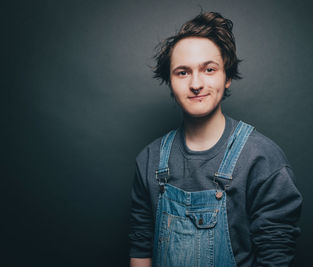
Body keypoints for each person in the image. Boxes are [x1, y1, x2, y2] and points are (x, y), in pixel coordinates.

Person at [129, 11, 302, 267]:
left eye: (209, 69)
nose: (196, 83)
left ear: (227, 77)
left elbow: (275, 256)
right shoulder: (149, 159)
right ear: (170, 82)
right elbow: (141, 248)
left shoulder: (263, 159)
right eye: (183, 72)